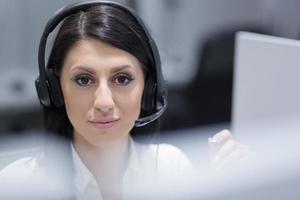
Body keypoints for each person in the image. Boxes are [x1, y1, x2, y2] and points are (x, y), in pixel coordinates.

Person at [0, 1, 248, 199]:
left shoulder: (172, 169)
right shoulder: (19, 186)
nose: (104, 102)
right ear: (54, 90)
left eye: (122, 79)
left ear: (149, 87)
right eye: (84, 80)